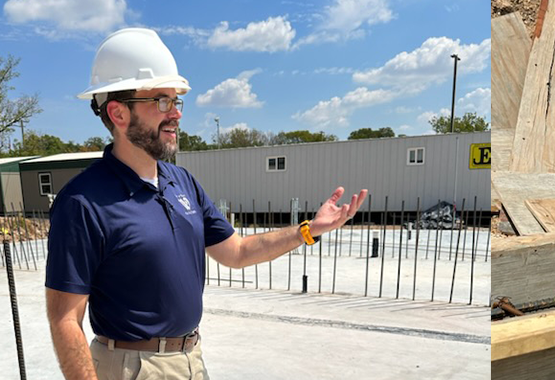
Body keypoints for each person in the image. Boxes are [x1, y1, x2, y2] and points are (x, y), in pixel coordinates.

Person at [45, 28, 367, 380]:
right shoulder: (83, 201)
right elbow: (65, 319)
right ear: (119, 114)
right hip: (130, 368)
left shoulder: (182, 182)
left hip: (190, 360)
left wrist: (308, 231)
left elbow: (238, 251)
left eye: (176, 100)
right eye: (161, 101)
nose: (176, 114)